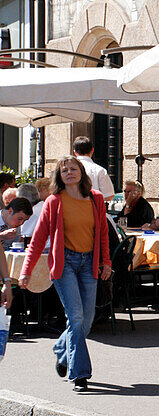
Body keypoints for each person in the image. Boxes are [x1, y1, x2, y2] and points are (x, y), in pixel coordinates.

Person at [19, 156, 111, 392]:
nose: (69, 172)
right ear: (59, 176)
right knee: (76, 317)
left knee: (86, 321)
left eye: (73, 168)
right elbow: (38, 239)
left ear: (81, 172)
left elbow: (102, 234)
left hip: (89, 263)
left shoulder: (96, 199)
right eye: (64, 170)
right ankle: (80, 374)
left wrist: (106, 262)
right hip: (65, 264)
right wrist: (26, 271)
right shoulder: (54, 201)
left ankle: (62, 349)